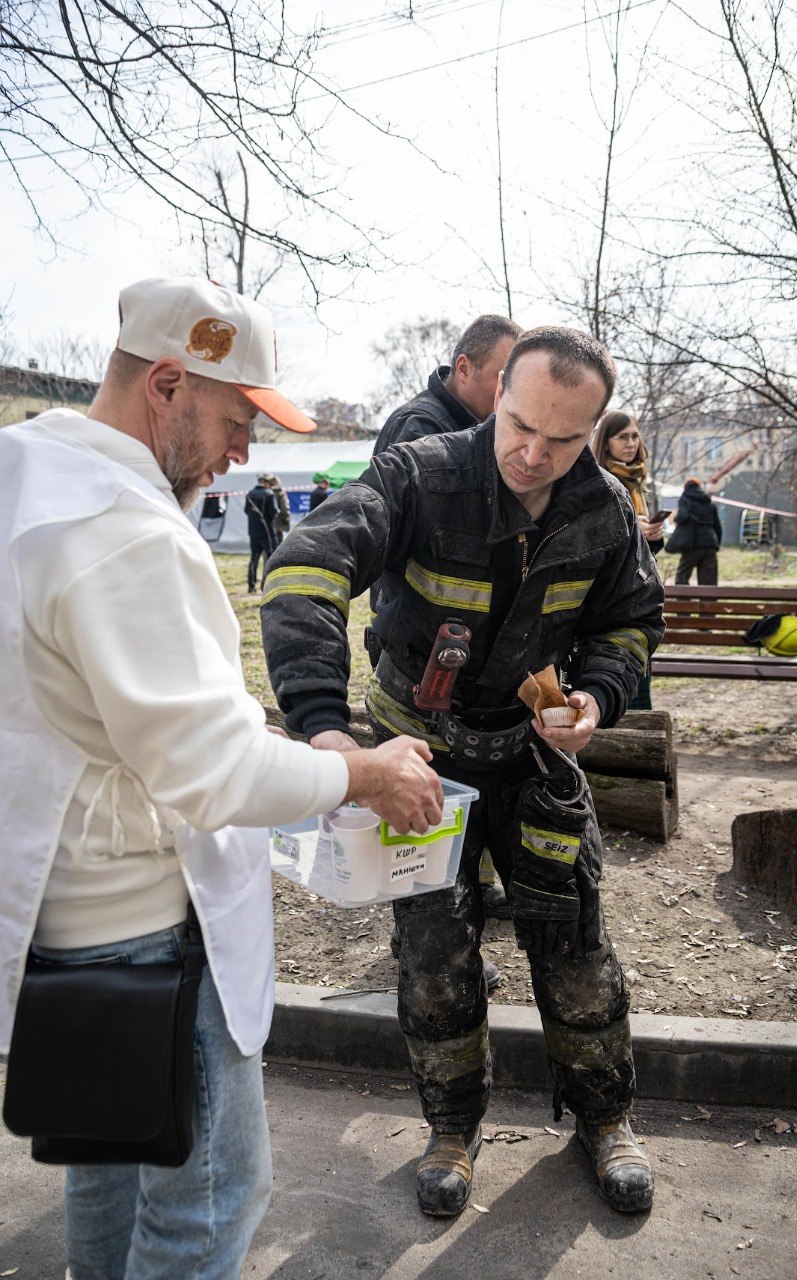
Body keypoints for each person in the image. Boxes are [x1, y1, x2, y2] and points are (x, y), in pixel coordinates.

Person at [0, 276, 444, 1280]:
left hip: (53, 897)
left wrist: (298, 747)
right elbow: (205, 769)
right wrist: (363, 770)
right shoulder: (124, 531)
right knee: (206, 1202)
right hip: (149, 912)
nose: (244, 451)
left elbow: (122, 708)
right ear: (166, 384)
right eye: (238, 418)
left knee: (108, 1162)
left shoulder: (25, 471)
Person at [261, 325, 665, 1220]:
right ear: (494, 394)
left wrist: (597, 697)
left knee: (576, 949)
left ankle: (606, 1121)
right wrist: (327, 734)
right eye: (519, 425)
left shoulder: (599, 509)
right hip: (418, 764)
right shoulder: (420, 474)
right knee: (434, 961)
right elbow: (302, 572)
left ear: (591, 431)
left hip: (532, 760)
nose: (533, 453)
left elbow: (632, 623)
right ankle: (451, 1127)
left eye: (562, 441)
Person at [374, 313, 522, 942]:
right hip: (423, 652)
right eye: (501, 382)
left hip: (462, 660)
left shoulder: (479, 426)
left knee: (461, 801)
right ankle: (425, 937)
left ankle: (463, 900)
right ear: (464, 369)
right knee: (428, 801)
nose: (510, 400)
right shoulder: (423, 432)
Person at [592, 410, 665, 710]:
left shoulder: (639, 481)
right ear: (606, 442)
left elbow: (648, 554)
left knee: (639, 673)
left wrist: (654, 537)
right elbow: (595, 538)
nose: (631, 443)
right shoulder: (598, 479)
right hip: (608, 594)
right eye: (622, 436)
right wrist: (634, 531)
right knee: (618, 678)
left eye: (635, 435)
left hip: (640, 591)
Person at [372, 313, 522, 455]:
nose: (512, 392)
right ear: (464, 369)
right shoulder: (418, 425)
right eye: (504, 378)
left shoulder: (478, 427)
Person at [666, 476, 723, 584]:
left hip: (691, 543)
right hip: (710, 543)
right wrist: (716, 544)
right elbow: (718, 526)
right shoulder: (709, 502)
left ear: (686, 487)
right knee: (708, 583)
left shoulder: (685, 499)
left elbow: (682, 517)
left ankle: (683, 600)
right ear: (699, 487)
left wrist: (675, 518)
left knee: (682, 578)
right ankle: (708, 601)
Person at [245, 473, 278, 592]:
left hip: (253, 531)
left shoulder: (250, 494)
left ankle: (251, 584)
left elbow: (246, 511)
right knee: (271, 558)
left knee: (254, 558)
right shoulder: (269, 494)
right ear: (266, 483)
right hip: (267, 531)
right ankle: (271, 584)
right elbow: (273, 512)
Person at [259, 471, 291, 546]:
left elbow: (284, 508)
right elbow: (285, 508)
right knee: (276, 545)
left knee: (270, 545)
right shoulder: (279, 492)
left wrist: (285, 518)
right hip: (275, 522)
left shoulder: (275, 492)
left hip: (269, 523)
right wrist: (286, 519)